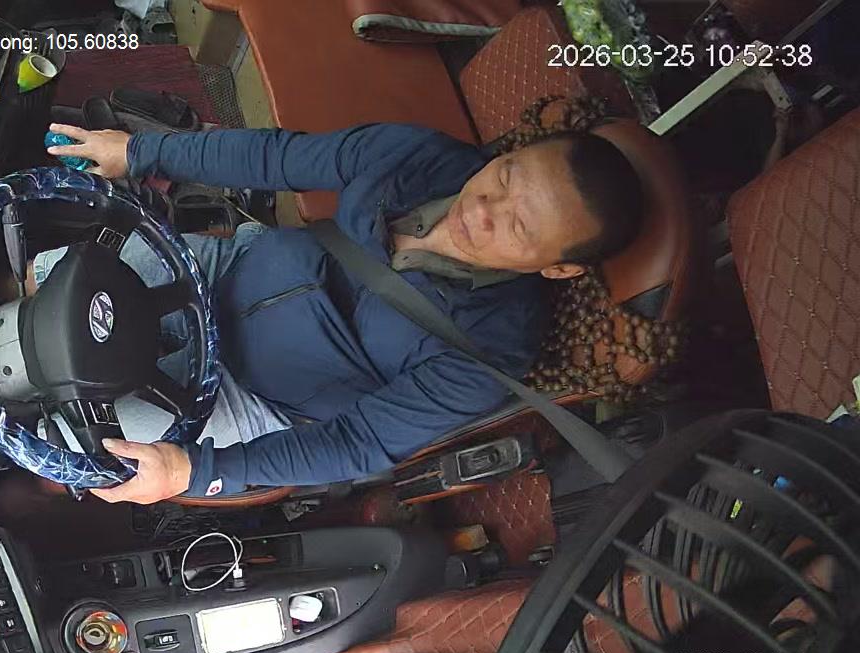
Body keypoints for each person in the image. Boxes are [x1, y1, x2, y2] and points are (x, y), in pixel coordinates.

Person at [36, 97, 644, 505]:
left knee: (60, 439)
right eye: (505, 175)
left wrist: (190, 472)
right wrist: (141, 151)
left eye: (518, 227)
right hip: (224, 271)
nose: (483, 210)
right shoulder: (422, 158)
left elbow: (357, 441)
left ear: (558, 268)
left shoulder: (489, 354)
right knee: (46, 281)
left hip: (250, 395)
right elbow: (276, 157)